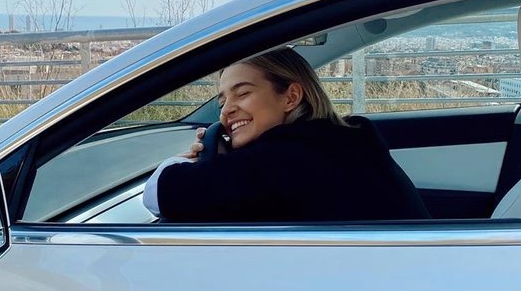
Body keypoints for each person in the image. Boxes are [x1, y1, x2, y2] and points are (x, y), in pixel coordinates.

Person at [143, 48, 429, 222]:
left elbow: (159, 193)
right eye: (221, 102)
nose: (227, 110)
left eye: (242, 93)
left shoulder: (285, 159)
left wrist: (182, 164)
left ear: (291, 97)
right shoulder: (351, 135)